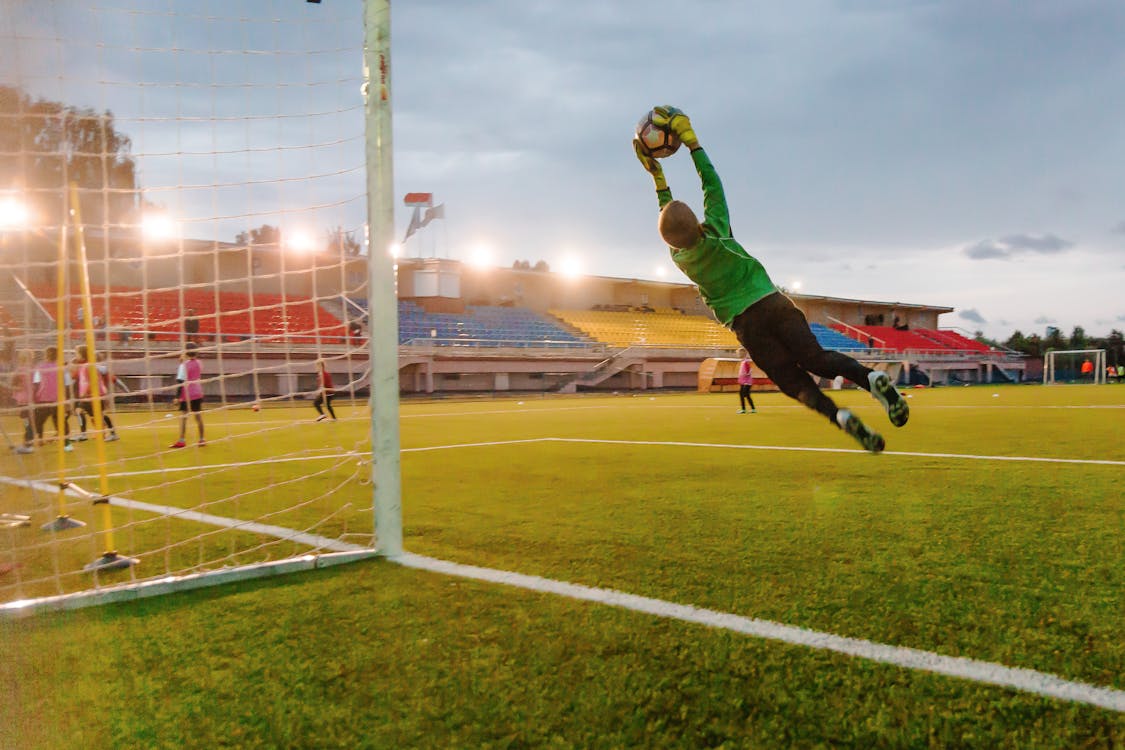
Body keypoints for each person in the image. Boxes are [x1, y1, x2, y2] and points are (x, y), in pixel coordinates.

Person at [633, 106, 909, 452]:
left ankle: (839, 417)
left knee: (794, 382)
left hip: (748, 326)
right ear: (696, 222)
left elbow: (669, 219)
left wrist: (657, 178)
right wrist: (692, 144)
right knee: (817, 359)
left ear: (669, 243)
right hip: (774, 303)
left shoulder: (681, 259)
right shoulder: (717, 231)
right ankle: (872, 378)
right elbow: (711, 184)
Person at [73, 345, 119, 442]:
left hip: (93, 395)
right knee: (85, 413)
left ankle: (111, 434)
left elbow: (93, 381)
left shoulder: (88, 366)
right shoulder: (84, 366)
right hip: (90, 396)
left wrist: (85, 392)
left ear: (82, 355)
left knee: (94, 414)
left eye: (77, 353)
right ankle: (86, 434)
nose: (75, 355)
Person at [31, 345, 73, 451]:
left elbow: (36, 383)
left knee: (38, 421)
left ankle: (40, 440)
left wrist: (34, 397)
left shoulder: (40, 366)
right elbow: (68, 384)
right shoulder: (62, 367)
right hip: (58, 399)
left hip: (43, 399)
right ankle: (67, 445)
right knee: (60, 422)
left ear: (46, 355)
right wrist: (67, 400)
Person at [171, 342, 204, 448]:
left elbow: (181, 381)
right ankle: (202, 439)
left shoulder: (183, 366)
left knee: (184, 417)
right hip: (198, 392)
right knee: (198, 417)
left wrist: (177, 397)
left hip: (187, 394)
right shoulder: (199, 363)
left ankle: (182, 440)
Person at [736, 350, 756, 414]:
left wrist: (743, 376)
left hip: (746, 382)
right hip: (743, 381)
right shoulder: (743, 362)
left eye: (739, 353)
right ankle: (745, 409)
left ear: (742, 354)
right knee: (743, 395)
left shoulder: (745, 362)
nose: (738, 354)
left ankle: (750, 409)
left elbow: (748, 371)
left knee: (745, 395)